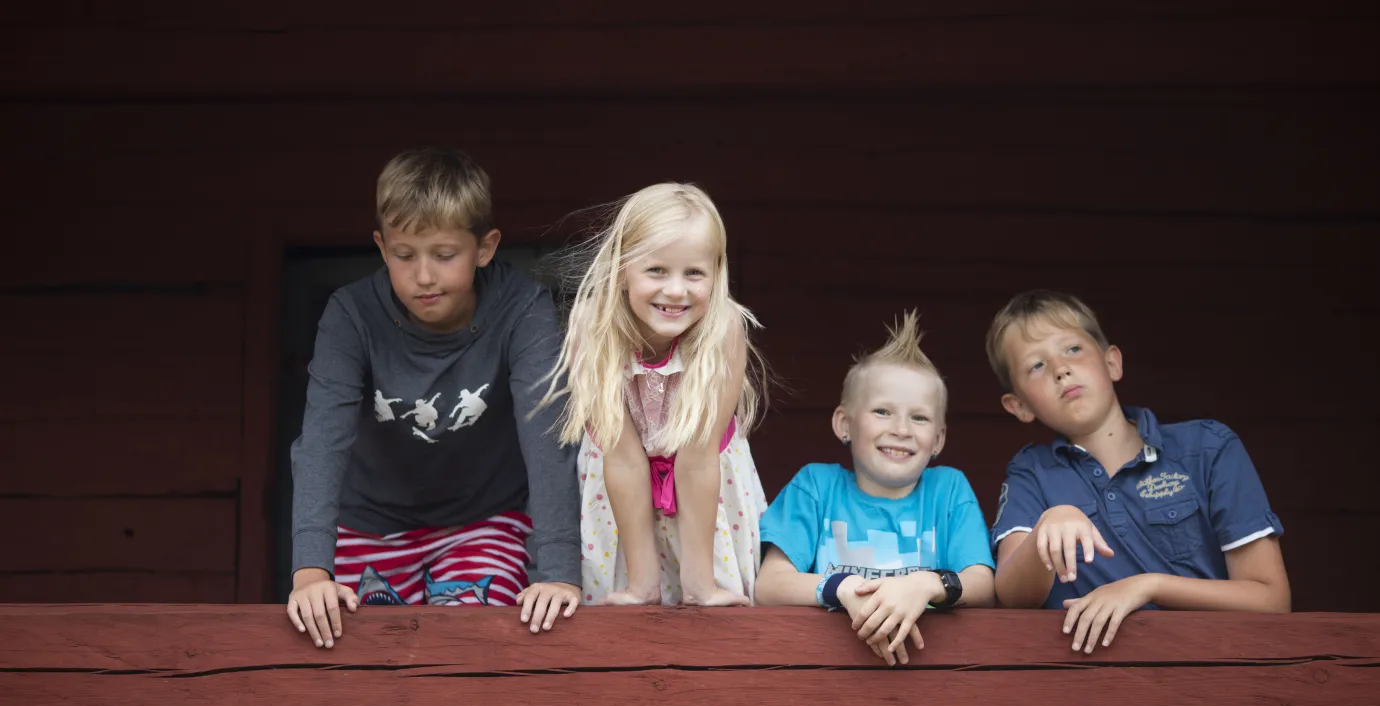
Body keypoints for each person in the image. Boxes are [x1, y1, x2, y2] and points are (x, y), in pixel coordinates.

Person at [286, 147, 582, 649]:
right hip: (368, 522)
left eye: (444, 255)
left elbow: (547, 432)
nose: (423, 275)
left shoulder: (521, 308)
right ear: (382, 248)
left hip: (483, 521)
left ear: (485, 248)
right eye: (404, 255)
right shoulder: (352, 314)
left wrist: (558, 571)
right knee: (350, 643)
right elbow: (320, 439)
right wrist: (310, 571)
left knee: (475, 646)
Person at [986, 290, 1291, 653]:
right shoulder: (1033, 472)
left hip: (1214, 671)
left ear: (1112, 362)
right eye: (1036, 365)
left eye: (1072, 349)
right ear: (1019, 406)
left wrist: (1146, 585)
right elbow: (1011, 597)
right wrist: (1047, 527)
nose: (1060, 369)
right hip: (1088, 687)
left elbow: (1271, 600)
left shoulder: (1208, 448)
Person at [537, 183, 768, 606]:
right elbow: (622, 456)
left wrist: (702, 585)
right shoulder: (594, 326)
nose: (676, 290)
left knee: (714, 622)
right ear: (623, 267)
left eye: (694, 273)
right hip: (621, 495)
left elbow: (699, 458)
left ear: (716, 272)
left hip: (707, 493)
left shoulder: (723, 328)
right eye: (657, 271)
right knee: (631, 618)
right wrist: (641, 584)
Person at [756, 311, 995, 665]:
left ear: (938, 439)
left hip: (930, 677)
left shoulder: (948, 490)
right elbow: (770, 585)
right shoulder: (816, 486)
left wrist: (925, 585)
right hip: (822, 672)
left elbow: (983, 584)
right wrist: (846, 588)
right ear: (844, 424)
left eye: (919, 417)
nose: (901, 429)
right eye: (882, 411)